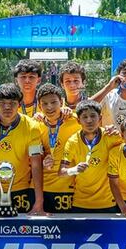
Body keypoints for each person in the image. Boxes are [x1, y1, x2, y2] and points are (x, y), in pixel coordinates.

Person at [0, 85, 46, 215]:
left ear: (19, 104)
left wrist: (39, 200)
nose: (7, 107)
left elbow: (36, 164)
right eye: (2, 103)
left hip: (20, 188)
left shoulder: (32, 127)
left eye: (12, 103)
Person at [60, 100, 124, 213]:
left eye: (93, 116)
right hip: (80, 203)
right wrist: (74, 170)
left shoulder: (111, 136)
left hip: (108, 203)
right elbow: (61, 172)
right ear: (78, 120)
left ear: (100, 118)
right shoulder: (72, 141)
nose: (89, 120)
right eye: (84, 117)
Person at [36, 83, 82, 213]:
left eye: (53, 102)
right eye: (44, 104)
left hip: (71, 188)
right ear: (39, 106)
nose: (49, 107)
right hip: (44, 188)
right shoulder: (36, 125)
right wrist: (44, 159)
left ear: (61, 102)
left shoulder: (76, 120)